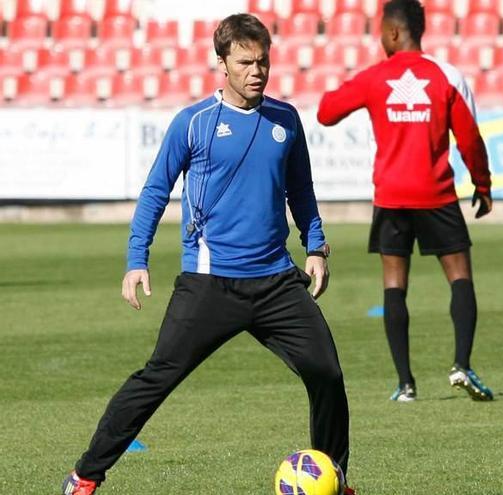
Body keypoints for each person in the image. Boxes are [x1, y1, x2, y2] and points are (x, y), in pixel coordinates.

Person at [61, 14, 355, 495]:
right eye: (244, 62)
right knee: (156, 378)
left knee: (326, 372)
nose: (256, 71)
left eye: (263, 61)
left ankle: (336, 480)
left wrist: (316, 245)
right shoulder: (193, 124)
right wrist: (137, 258)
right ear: (221, 63)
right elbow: (156, 191)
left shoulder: (286, 119)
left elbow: (301, 189)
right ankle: (86, 474)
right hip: (209, 283)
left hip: (277, 280)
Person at [317, 0, 494, 402]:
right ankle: (462, 365)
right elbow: (470, 140)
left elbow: (326, 113)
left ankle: (405, 384)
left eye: (381, 29)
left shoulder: (375, 77)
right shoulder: (446, 76)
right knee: (460, 277)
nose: (379, 37)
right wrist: (483, 186)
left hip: (392, 197)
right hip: (436, 195)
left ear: (395, 32)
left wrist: (360, 87)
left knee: (394, 285)